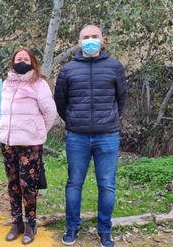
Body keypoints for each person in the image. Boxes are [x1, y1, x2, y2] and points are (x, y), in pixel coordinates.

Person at [54, 25, 127, 247]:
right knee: (74, 183)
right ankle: (72, 227)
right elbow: (60, 102)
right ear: (79, 41)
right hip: (77, 136)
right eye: (86, 37)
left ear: (102, 39)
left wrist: (109, 120)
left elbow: (121, 99)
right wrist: (75, 121)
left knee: (107, 185)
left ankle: (105, 230)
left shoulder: (115, 66)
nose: (90, 40)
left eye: (94, 37)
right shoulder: (68, 69)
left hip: (108, 136)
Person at [0, 47, 57, 244]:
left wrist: (37, 132)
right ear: (13, 62)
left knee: (28, 185)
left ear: (32, 62)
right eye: (18, 58)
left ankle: (31, 223)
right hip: (8, 141)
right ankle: (16, 222)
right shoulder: (6, 84)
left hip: (30, 144)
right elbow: (1, 109)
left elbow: (50, 113)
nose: (22, 61)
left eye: (26, 58)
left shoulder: (39, 84)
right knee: (13, 183)